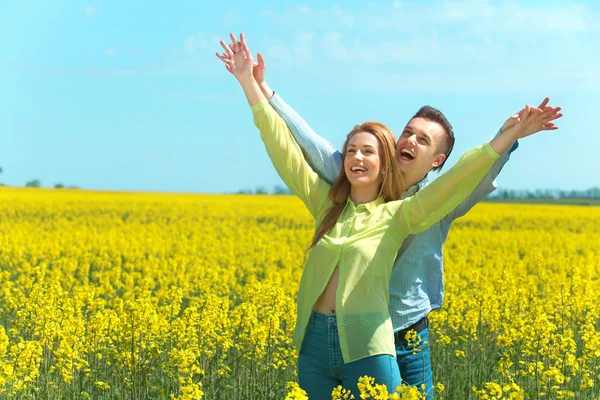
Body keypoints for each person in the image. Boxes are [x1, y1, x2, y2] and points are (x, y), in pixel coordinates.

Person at [216, 33, 560, 399]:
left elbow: (466, 176)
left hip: (396, 335)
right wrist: (253, 86)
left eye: (423, 141)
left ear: (436, 161)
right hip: (317, 340)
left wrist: (508, 136)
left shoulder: (414, 210)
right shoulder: (330, 201)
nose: (358, 158)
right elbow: (292, 146)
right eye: (406, 134)